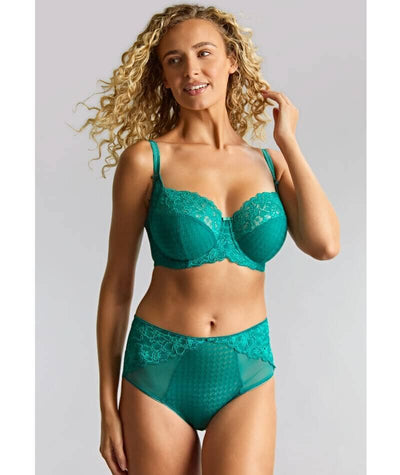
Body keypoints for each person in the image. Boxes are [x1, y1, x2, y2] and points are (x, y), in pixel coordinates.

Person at [77, 4, 340, 474]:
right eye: (174, 60)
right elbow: (116, 285)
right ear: (163, 76)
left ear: (232, 60)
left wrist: (289, 142)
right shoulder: (147, 160)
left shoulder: (269, 163)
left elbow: (325, 245)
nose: (191, 70)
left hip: (246, 369)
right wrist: (106, 407)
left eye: (204, 53)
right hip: (157, 366)